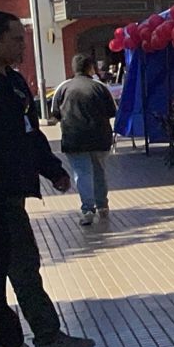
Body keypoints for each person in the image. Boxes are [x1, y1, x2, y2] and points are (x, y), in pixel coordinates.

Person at [0, 11, 97, 347]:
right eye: (16, 39)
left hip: (8, 198)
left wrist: (53, 170)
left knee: (23, 267)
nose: (22, 46)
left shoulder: (15, 85)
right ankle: (21, 337)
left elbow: (30, 135)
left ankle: (46, 336)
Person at [50, 54, 117, 225]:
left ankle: (87, 209)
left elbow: (55, 114)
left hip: (74, 139)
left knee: (82, 174)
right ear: (90, 68)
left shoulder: (63, 88)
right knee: (99, 172)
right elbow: (112, 111)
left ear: (73, 69)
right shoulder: (100, 87)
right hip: (99, 138)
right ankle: (102, 206)